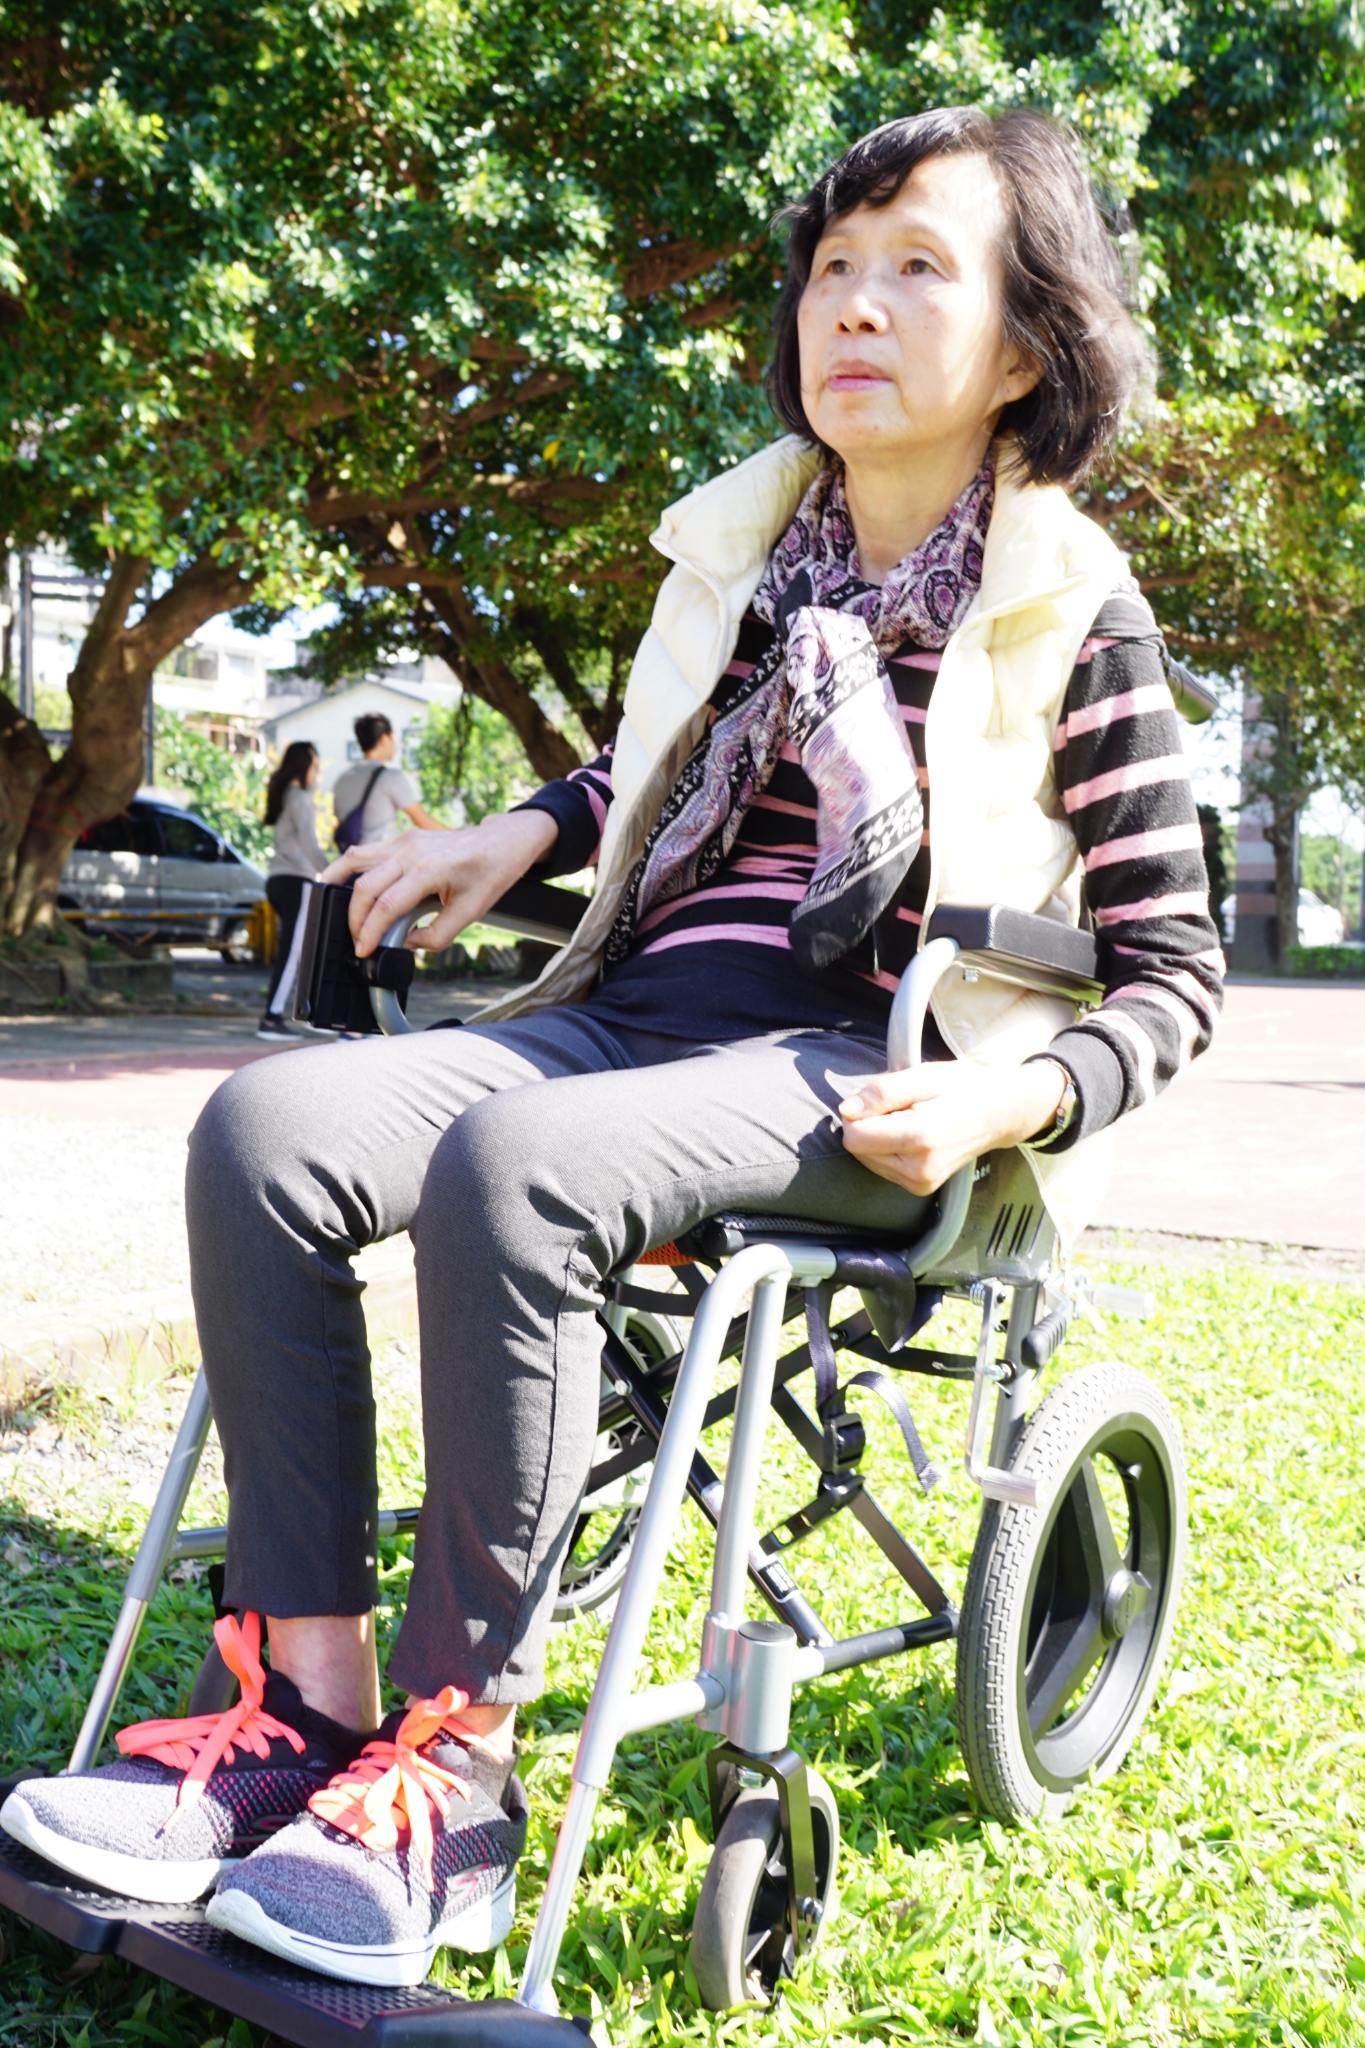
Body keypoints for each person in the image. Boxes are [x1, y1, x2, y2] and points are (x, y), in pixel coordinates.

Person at [4, 107, 1224, 1986]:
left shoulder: (1076, 612)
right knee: (266, 1131)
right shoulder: (748, 563)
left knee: (518, 1167)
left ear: (1025, 349)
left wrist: (1012, 1092)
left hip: (856, 1065)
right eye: (833, 267)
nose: (856, 305)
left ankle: (456, 1782)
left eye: (920, 268)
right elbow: (644, 772)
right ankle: (303, 1707)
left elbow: (1174, 970)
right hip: (633, 1015)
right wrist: (518, 835)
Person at [257, 741, 329, 1042]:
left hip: (279, 879)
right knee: (293, 953)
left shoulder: (285, 795)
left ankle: (309, 1013)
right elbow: (310, 845)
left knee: (303, 950)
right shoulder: (299, 799)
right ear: (304, 766)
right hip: (295, 882)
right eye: (315, 766)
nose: (317, 773)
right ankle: (271, 1019)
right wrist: (336, 871)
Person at [330, 712, 444, 847]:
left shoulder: (342, 780)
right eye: (392, 738)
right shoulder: (391, 777)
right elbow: (422, 822)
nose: (394, 744)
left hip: (350, 858)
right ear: (384, 739)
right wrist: (460, 838)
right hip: (382, 858)